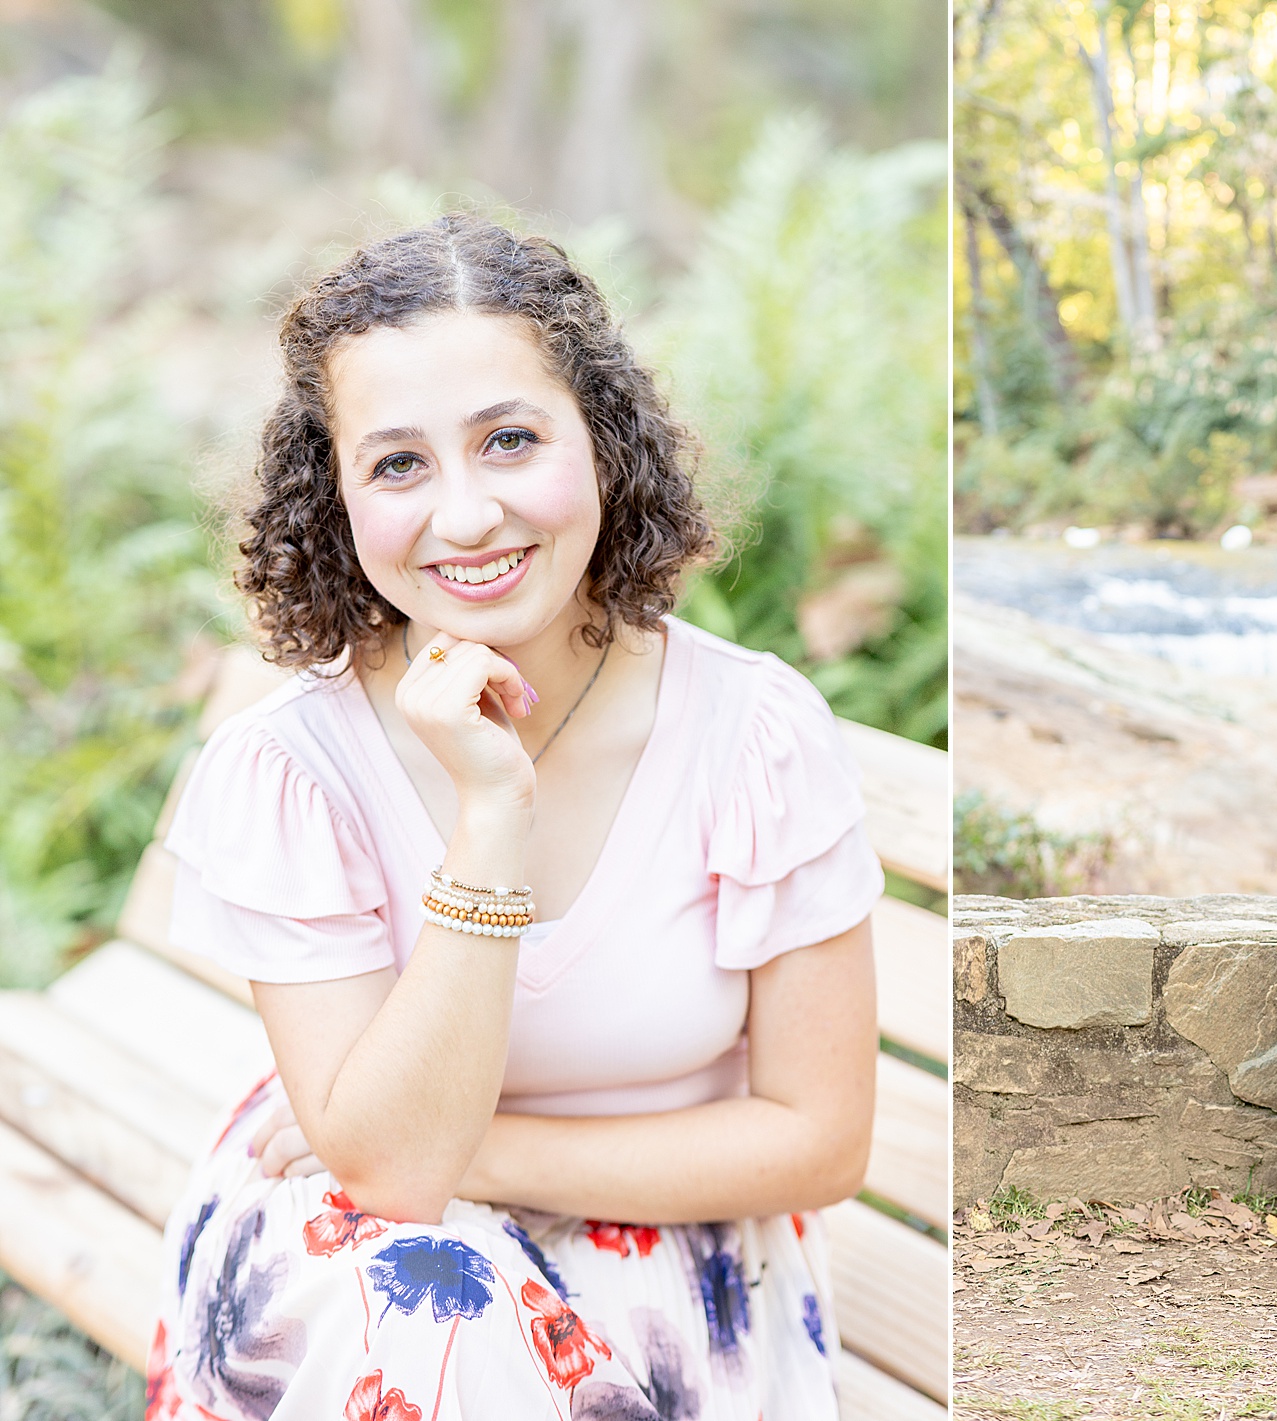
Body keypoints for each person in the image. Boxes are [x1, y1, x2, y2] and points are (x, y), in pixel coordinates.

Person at [145, 214, 884, 1420]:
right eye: (397, 464)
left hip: (672, 1270)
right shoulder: (291, 767)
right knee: (433, 1300)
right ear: (333, 497)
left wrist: (485, 1154)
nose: (470, 514)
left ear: (601, 440)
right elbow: (386, 1176)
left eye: (509, 440)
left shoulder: (751, 735)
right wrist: (491, 817)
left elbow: (819, 1139)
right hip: (363, 1266)